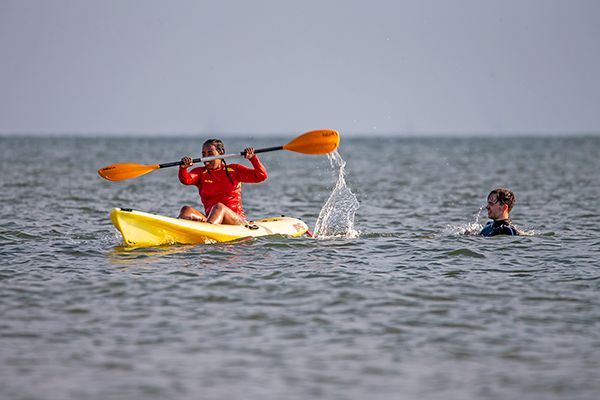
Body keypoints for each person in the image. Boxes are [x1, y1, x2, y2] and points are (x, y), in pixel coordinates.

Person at [178, 138, 268, 225]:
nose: (206, 157)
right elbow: (186, 180)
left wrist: (253, 158)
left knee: (219, 207)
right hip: (212, 220)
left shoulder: (234, 170)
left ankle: (210, 231)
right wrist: (183, 168)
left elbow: (261, 176)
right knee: (186, 210)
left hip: (237, 221)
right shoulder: (200, 173)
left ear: (221, 153)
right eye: (203, 154)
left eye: (210, 153)